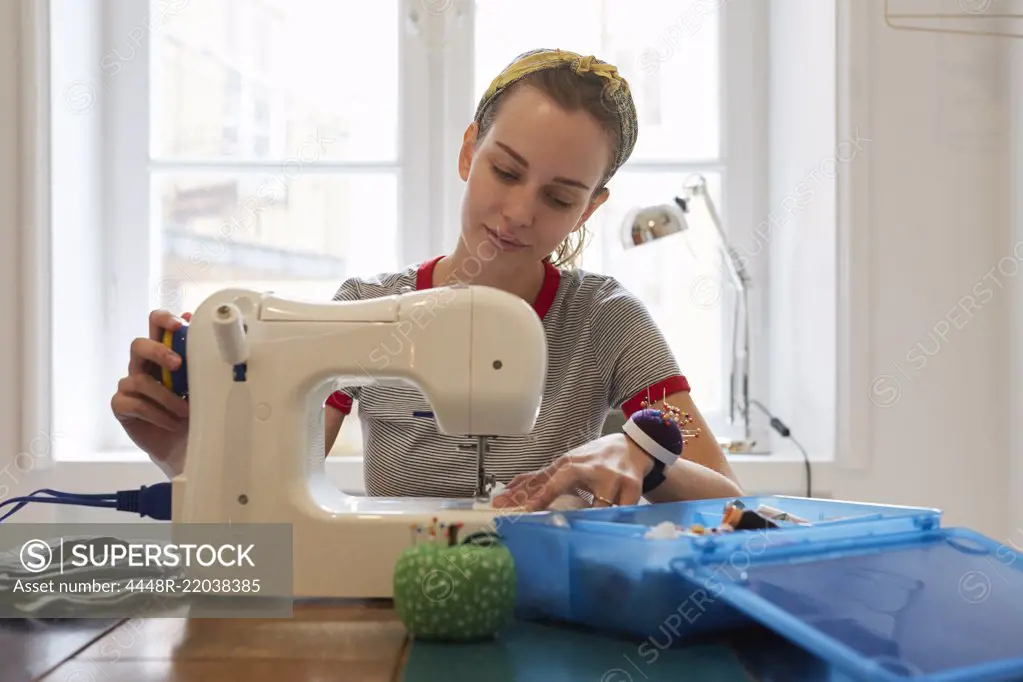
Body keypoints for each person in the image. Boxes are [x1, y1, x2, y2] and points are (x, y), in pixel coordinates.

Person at [110, 48, 743, 510]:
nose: (520, 212)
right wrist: (177, 452)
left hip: (545, 596)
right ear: (470, 150)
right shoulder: (366, 308)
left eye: (559, 197)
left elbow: (728, 497)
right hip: (391, 592)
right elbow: (256, 503)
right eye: (505, 171)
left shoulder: (607, 319)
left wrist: (646, 458)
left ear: (592, 208)